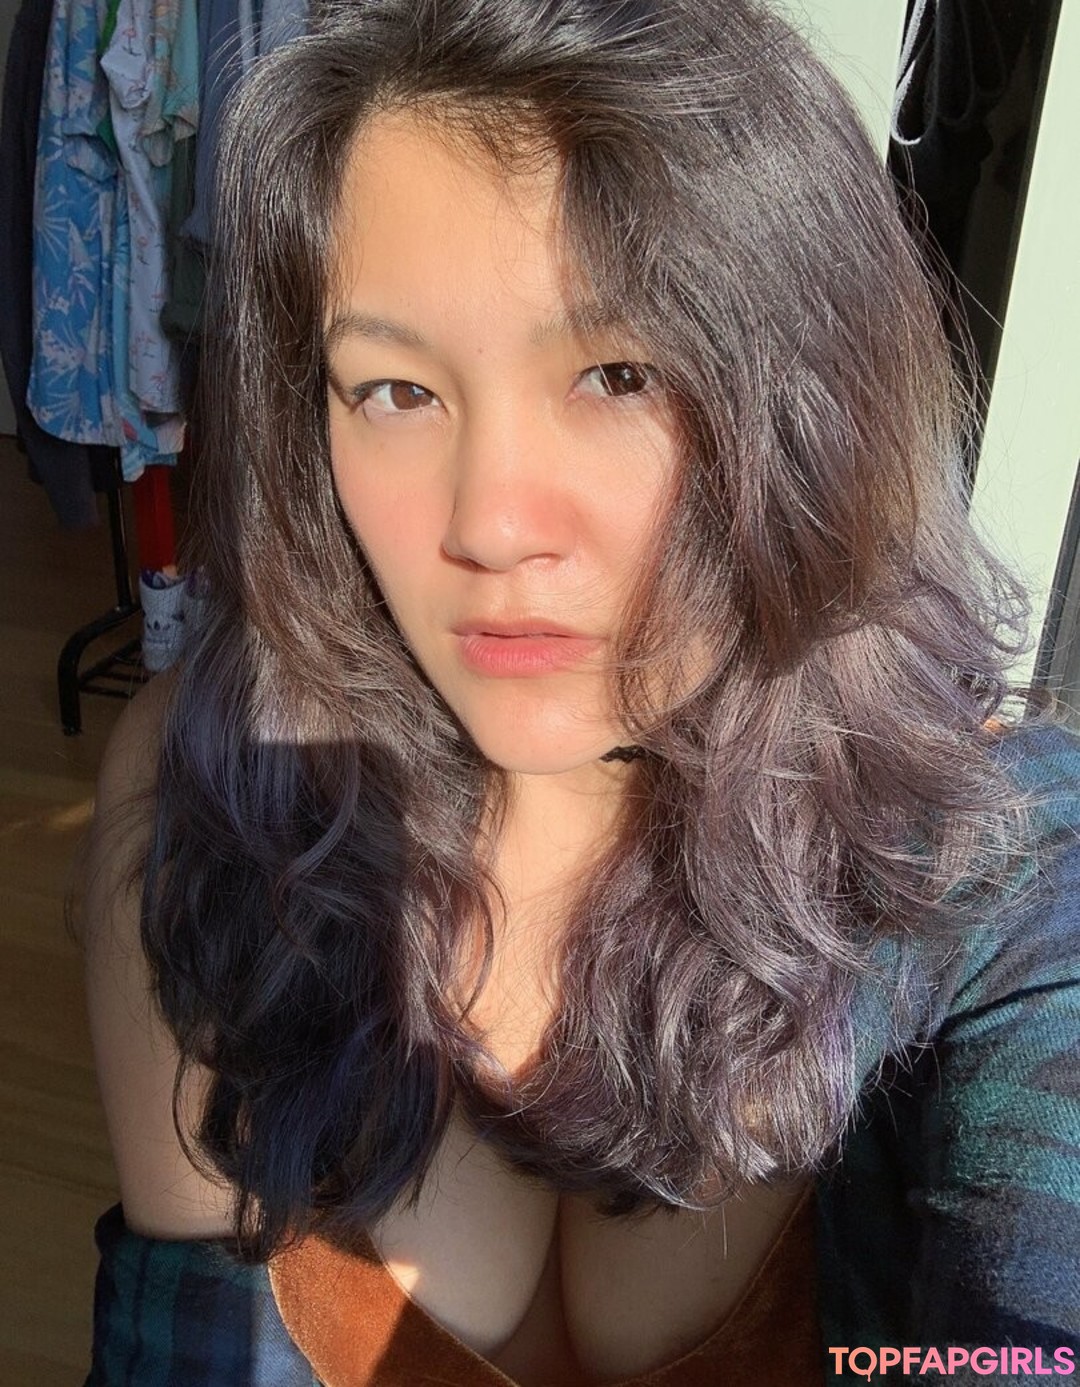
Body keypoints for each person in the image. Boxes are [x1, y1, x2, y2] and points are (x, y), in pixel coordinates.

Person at [77, 0, 1080, 1382]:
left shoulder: (1000, 870)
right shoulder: (231, 776)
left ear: (806, 402)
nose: (489, 525)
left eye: (618, 375)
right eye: (395, 392)